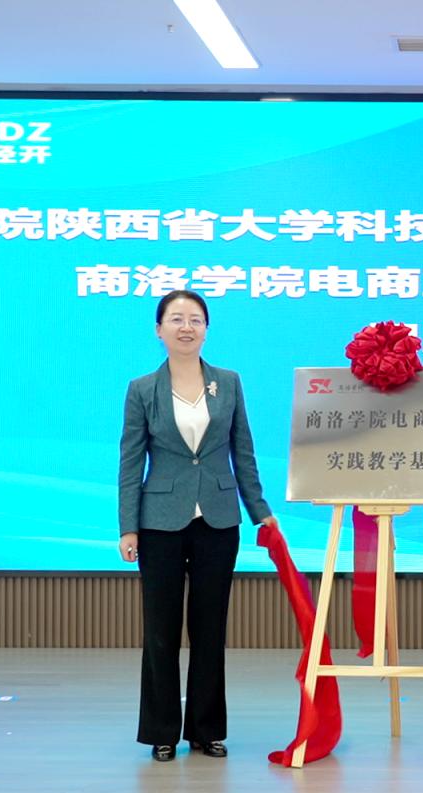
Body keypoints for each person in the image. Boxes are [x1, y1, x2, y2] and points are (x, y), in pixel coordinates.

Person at [118, 289, 277, 762]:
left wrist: (260, 511)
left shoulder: (228, 382)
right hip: (159, 523)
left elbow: (242, 452)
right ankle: (162, 731)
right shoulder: (142, 389)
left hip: (218, 519)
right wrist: (128, 526)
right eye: (176, 319)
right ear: (159, 330)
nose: (186, 327)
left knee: (210, 629)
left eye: (195, 319)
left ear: (206, 329)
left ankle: (206, 730)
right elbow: (131, 462)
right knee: (161, 631)